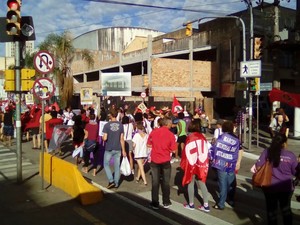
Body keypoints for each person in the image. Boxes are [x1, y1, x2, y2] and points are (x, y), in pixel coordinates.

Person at [254, 133, 298, 225]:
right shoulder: (291, 155)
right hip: (286, 187)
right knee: (286, 209)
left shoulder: (267, 152)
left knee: (271, 210)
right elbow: (296, 172)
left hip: (269, 186)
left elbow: (258, 167)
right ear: (285, 143)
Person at [210, 120, 243, 210]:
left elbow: (214, 149)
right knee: (231, 183)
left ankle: (221, 204)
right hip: (231, 164)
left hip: (221, 164)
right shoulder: (236, 139)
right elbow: (240, 150)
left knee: (222, 184)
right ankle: (231, 200)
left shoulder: (220, 138)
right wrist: (238, 162)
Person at [147, 117, 177, 210]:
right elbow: (174, 149)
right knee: (166, 182)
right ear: (167, 124)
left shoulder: (153, 132)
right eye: (171, 124)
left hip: (155, 160)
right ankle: (166, 201)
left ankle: (155, 202)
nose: (171, 125)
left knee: (155, 182)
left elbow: (148, 145)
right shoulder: (171, 135)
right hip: (165, 160)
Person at [181, 120, 210, 212]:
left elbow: (186, 151)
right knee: (202, 183)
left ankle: (191, 204)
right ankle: (206, 205)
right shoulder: (202, 137)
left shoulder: (190, 137)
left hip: (191, 162)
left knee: (191, 182)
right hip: (201, 163)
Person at [102, 110, 127, 189]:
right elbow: (122, 139)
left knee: (106, 164)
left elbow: (105, 138)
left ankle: (111, 180)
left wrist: (103, 138)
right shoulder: (121, 125)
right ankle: (116, 183)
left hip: (109, 147)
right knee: (117, 166)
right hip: (118, 147)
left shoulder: (106, 125)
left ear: (110, 115)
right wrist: (123, 150)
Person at [132, 121, 149, 186]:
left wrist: (132, 149)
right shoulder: (146, 135)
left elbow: (133, 145)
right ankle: (138, 178)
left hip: (138, 153)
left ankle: (145, 181)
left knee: (141, 168)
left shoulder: (136, 135)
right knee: (140, 166)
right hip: (144, 153)